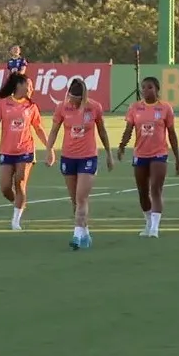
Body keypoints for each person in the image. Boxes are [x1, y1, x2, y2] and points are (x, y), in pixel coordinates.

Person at [45, 78, 113, 250]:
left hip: (88, 157)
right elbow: (54, 131)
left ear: (82, 98)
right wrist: (49, 150)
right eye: (70, 99)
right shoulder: (62, 107)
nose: (72, 103)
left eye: (76, 101)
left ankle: (76, 235)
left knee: (81, 197)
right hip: (68, 157)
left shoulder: (94, 107)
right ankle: (85, 233)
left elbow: (103, 132)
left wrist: (109, 154)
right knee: (74, 200)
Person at [116, 77, 179, 238]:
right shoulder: (135, 108)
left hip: (159, 153)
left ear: (157, 89)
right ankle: (148, 222)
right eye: (143, 87)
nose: (146, 90)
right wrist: (122, 146)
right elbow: (129, 129)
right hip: (140, 154)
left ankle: (155, 228)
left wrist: (178, 158)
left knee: (155, 189)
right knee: (142, 191)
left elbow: (172, 134)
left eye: (150, 87)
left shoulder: (165, 108)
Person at [0, 72, 49, 230]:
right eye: (29, 85)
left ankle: (16, 220)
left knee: (20, 181)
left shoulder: (31, 106)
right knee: (5, 187)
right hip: (7, 151)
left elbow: (38, 128)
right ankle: (19, 203)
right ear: (19, 85)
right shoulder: (3, 103)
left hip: (25, 150)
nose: (31, 89)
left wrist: (49, 148)